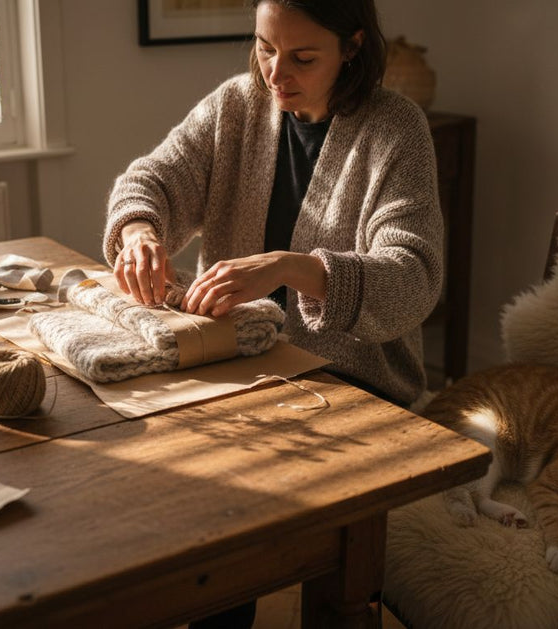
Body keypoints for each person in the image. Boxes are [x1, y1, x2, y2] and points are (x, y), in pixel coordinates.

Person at [104, 0, 442, 624]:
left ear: (354, 47)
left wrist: (290, 266)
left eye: (303, 57)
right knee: (157, 481)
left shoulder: (396, 129)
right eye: (264, 47)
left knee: (232, 515)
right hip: (245, 365)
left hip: (351, 385)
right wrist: (139, 232)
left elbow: (414, 280)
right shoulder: (236, 106)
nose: (275, 73)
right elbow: (150, 178)